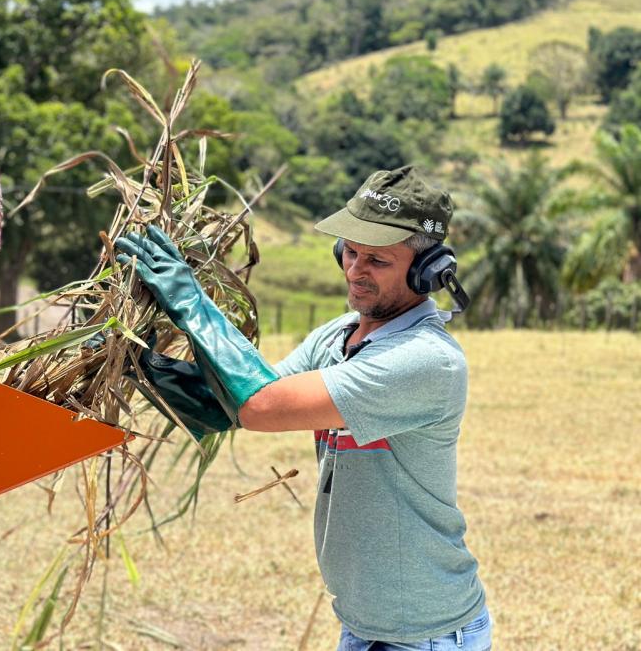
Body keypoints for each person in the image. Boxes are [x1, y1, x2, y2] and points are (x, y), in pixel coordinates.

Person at [114, 166, 491, 651]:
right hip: (363, 625)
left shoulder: (424, 361)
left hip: (427, 634)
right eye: (350, 251)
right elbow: (229, 406)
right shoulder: (338, 336)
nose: (355, 270)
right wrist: (137, 362)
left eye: (377, 259)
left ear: (427, 271)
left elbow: (261, 406)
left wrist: (190, 300)